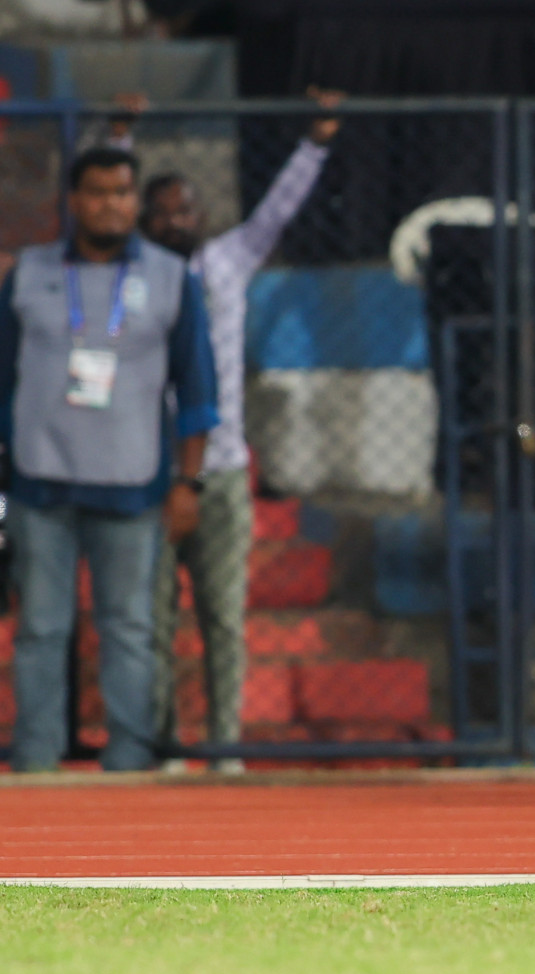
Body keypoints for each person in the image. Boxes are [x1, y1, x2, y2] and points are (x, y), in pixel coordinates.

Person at [136, 87, 343, 772]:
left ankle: (222, 743)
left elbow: (278, 210)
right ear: (145, 221)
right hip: (147, 469)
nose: (174, 220)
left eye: (184, 208)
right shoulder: (132, 276)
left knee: (223, 615)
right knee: (152, 620)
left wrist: (315, 142)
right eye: (161, 212)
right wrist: (118, 138)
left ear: (201, 214)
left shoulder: (226, 261)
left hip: (221, 468)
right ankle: (162, 743)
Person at [0, 147, 218, 772]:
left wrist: (189, 483)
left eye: (122, 193)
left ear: (135, 203)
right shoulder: (29, 273)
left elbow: (198, 392)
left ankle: (130, 758)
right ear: (74, 201)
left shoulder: (174, 279)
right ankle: (35, 758)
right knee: (42, 628)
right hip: (39, 483)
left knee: (129, 628)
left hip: (132, 484)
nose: (110, 205)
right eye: (97, 193)